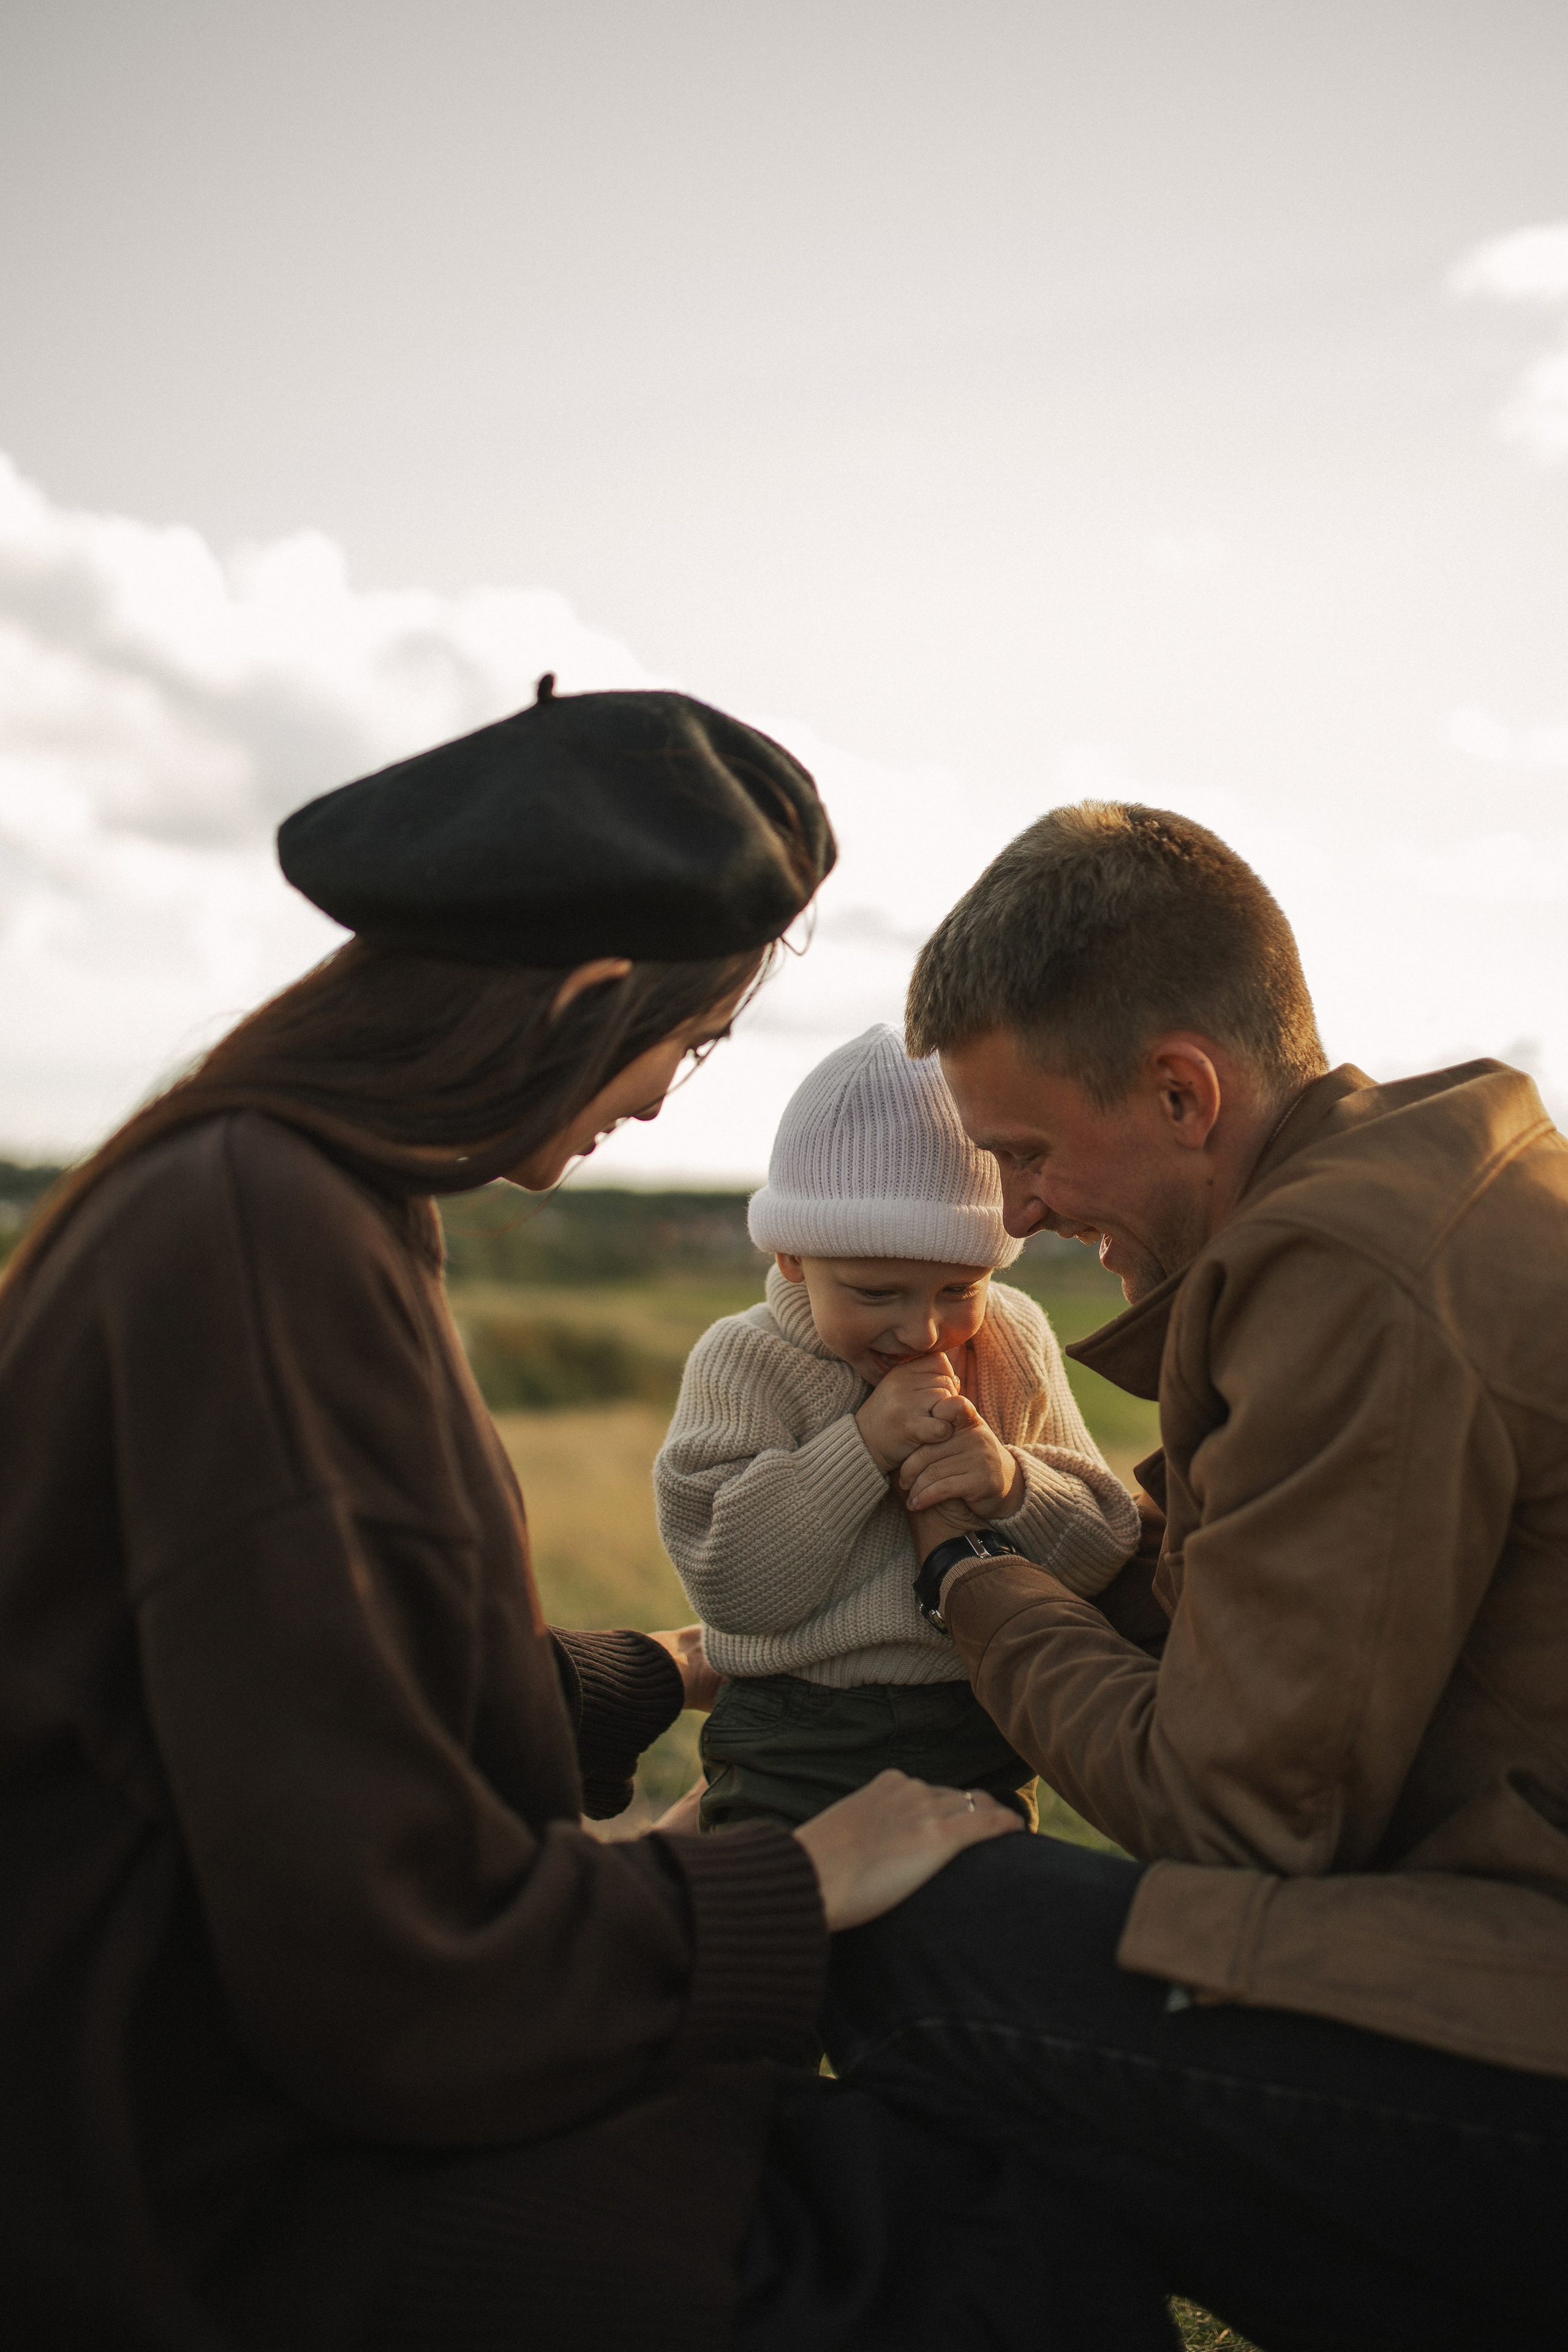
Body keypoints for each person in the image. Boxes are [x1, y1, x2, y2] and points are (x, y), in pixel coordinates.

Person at [0, 688, 1180, 2352]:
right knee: (990, 2250)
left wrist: (653, 1676)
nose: (661, 1098)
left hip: (245, 2085)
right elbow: (382, 1964)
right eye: (688, 1044)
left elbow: (308, 1695)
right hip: (199, 2184)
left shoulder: (301, 1190)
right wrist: (789, 1877)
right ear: (582, 993)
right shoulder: (257, 1246)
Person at [821, 800, 1568, 2348]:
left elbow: (1240, 1814)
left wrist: (967, 1571)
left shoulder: (1347, 1273)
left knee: (918, 1946)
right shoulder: (1435, 1188)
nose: (1016, 1212)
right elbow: (1256, 1619)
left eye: (1025, 1154)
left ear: (1178, 1090)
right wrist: (1057, 1525)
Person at [655, 1023, 1136, 1832]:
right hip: (797, 1738)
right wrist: (862, 1446)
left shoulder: (1010, 1339)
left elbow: (1100, 1551)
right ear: (792, 1260)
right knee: (793, 1938)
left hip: (977, 1726)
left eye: (958, 1288)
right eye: (877, 1293)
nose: (923, 1331)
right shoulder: (745, 1361)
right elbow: (734, 1589)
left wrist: (1012, 1483)